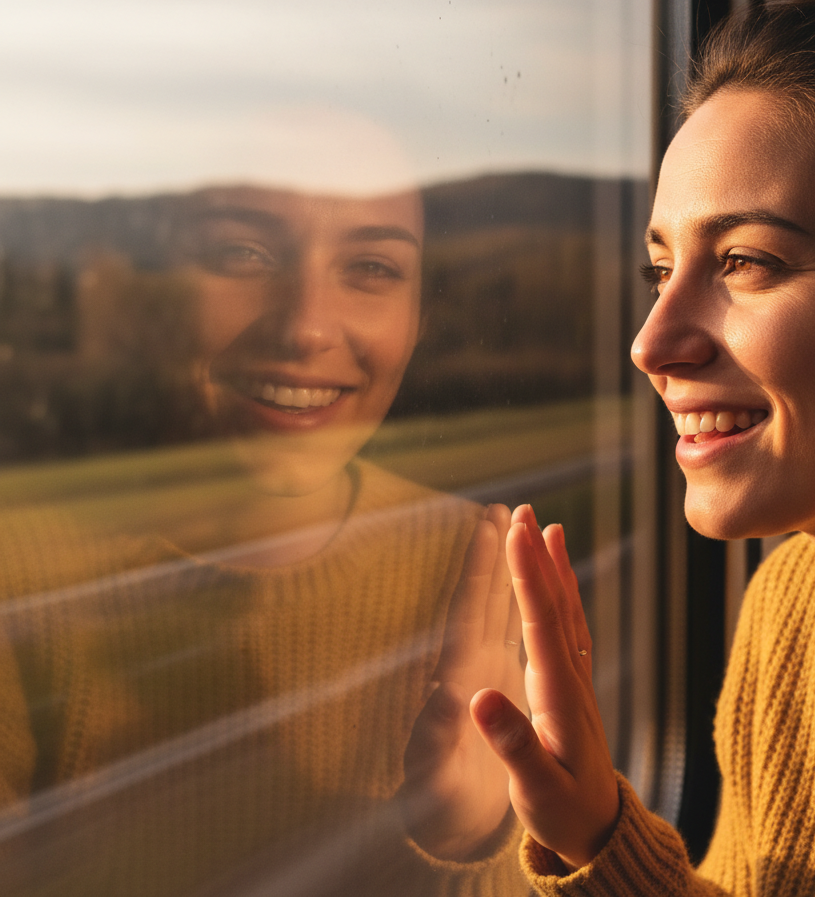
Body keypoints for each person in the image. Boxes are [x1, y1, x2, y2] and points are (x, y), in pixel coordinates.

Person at [469, 0, 815, 895]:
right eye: (661, 270)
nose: (653, 344)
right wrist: (600, 836)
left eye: (745, 263)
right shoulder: (793, 604)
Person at [0, 181, 528, 896]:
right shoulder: (20, 572)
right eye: (241, 252)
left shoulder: (481, 576)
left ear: (419, 316)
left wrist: (467, 837)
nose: (306, 327)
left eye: (372, 268)